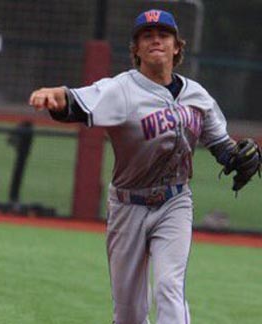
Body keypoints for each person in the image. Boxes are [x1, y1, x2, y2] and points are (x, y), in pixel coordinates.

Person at [29, 9, 259, 324]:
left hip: (174, 202)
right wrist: (56, 98)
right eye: (146, 36)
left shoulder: (197, 95)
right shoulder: (120, 89)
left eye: (163, 35)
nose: (155, 40)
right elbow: (77, 103)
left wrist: (236, 157)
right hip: (128, 206)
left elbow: (220, 145)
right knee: (129, 314)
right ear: (135, 49)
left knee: (168, 287)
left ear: (177, 46)